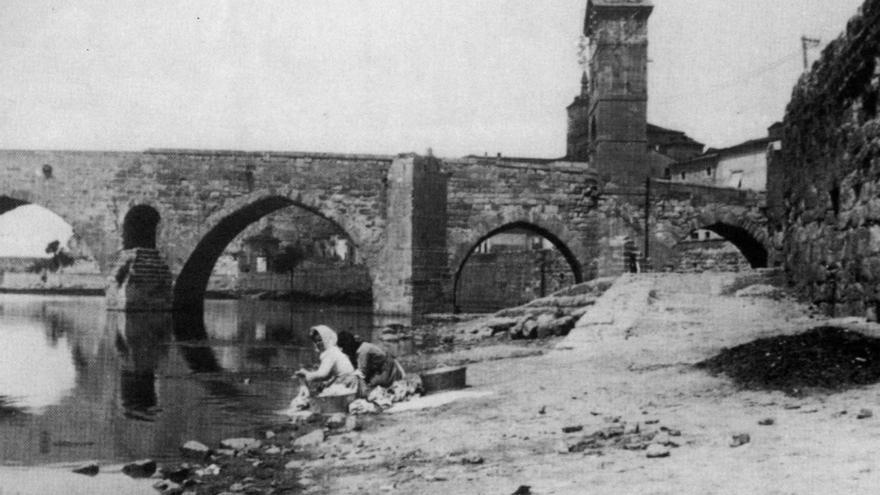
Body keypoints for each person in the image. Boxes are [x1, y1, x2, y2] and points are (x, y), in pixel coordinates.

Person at [295, 325, 357, 392]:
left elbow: (322, 374)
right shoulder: (333, 350)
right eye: (315, 341)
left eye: (320, 340)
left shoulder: (330, 353)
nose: (318, 343)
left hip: (345, 382)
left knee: (316, 395)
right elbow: (327, 376)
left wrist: (307, 374)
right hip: (348, 381)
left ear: (326, 339)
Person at [337, 331, 405, 390]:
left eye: (344, 348)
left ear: (348, 345)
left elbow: (361, 372)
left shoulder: (363, 350)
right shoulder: (355, 352)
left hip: (388, 370)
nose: (344, 351)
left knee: (368, 389)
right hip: (378, 371)